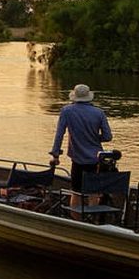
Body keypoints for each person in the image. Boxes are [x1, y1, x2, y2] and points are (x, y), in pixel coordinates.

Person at [49, 84, 113, 215]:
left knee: (76, 192)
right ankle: (91, 220)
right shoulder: (99, 112)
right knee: (93, 193)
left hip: (78, 159)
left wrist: (56, 154)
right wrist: (94, 138)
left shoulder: (67, 111)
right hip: (96, 159)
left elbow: (59, 134)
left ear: (74, 96)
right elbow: (108, 137)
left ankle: (76, 219)